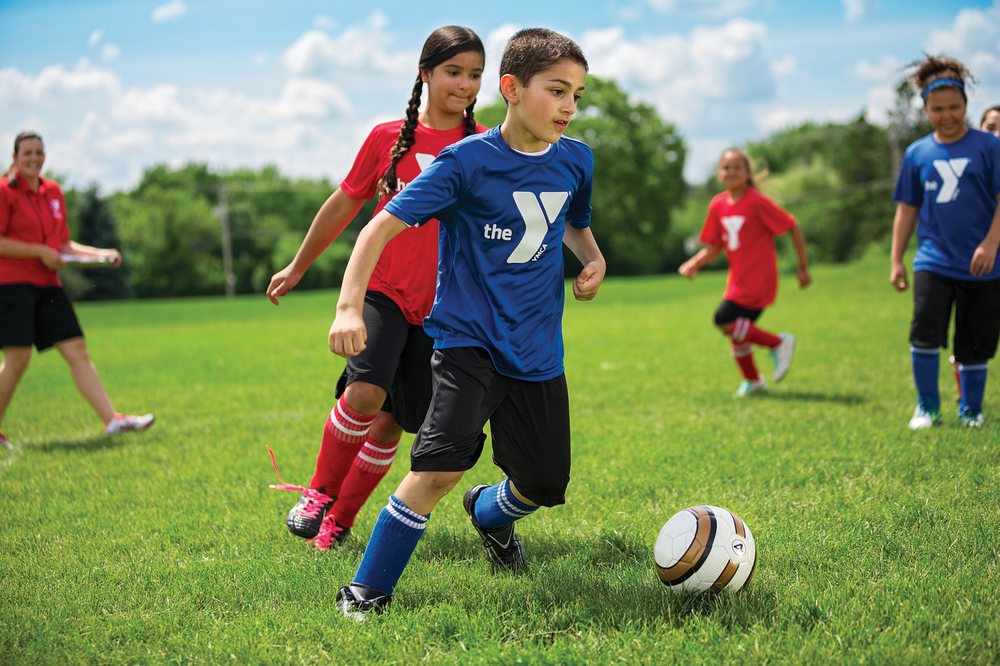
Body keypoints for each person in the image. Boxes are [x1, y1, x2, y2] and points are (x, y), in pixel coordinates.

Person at [328, 27, 604, 617]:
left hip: (537, 353)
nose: (569, 106)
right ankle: (366, 590)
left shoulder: (577, 160)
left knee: (545, 484)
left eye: (577, 94)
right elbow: (378, 228)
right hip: (466, 344)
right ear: (511, 88)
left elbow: (573, 223)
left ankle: (488, 513)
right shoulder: (466, 163)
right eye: (557, 91)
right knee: (437, 467)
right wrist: (349, 306)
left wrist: (593, 259)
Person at [265, 26, 487, 550]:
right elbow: (344, 202)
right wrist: (298, 266)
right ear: (425, 74)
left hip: (443, 307)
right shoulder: (389, 139)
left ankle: (338, 523)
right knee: (365, 392)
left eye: (474, 74)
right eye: (453, 72)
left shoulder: (482, 147)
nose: (464, 84)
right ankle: (318, 494)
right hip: (382, 290)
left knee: (390, 425)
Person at [0, 131, 154, 448]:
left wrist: (99, 255)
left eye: (39, 152)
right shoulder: (4, 192)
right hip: (12, 284)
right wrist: (38, 251)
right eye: (27, 153)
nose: (34, 158)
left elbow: (63, 244)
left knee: (77, 349)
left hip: (48, 284)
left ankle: (112, 420)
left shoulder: (53, 192)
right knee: (17, 359)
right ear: (14, 157)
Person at [890, 55, 1000, 430]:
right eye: (938, 109)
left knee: (974, 339)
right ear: (926, 110)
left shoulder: (989, 147)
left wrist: (990, 244)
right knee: (923, 331)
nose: (947, 115)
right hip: (932, 261)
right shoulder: (917, 153)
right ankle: (927, 407)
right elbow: (906, 209)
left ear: (966, 105)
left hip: (982, 263)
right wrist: (896, 260)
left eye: (954, 107)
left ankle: (971, 408)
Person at [678, 148, 811, 397]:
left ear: (748, 173)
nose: (732, 172)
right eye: (726, 167)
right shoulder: (718, 204)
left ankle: (779, 343)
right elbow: (716, 245)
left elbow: (792, 226)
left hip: (758, 280)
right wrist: (694, 263)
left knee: (724, 319)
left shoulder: (757, 203)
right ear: (719, 173)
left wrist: (802, 267)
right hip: (737, 281)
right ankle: (753, 381)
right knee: (736, 333)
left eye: (738, 167)